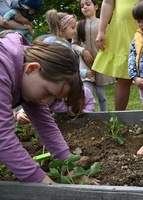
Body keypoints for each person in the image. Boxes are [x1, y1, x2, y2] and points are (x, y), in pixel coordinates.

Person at [0, 31, 99, 184]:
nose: (46, 101)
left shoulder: (26, 75)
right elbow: (2, 138)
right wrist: (45, 184)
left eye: (53, 98)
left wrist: (70, 169)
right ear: (32, 69)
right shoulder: (2, 69)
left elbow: (46, 125)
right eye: (48, 92)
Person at [93, 0, 143, 111]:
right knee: (123, 78)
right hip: (123, 30)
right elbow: (108, 3)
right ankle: (119, 120)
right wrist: (101, 31)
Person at [72, 0, 116, 112]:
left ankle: (104, 114)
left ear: (96, 7)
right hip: (85, 63)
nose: (85, 7)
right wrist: (83, 51)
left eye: (88, 4)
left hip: (100, 62)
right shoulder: (78, 25)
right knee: (87, 90)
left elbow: (111, 43)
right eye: (82, 6)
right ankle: (88, 114)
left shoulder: (104, 24)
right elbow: (74, 44)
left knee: (101, 92)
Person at [15, 87, 96, 125]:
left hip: (79, 116)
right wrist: (20, 114)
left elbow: (91, 102)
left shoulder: (82, 91)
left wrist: (85, 112)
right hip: (59, 119)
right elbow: (35, 105)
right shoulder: (51, 95)